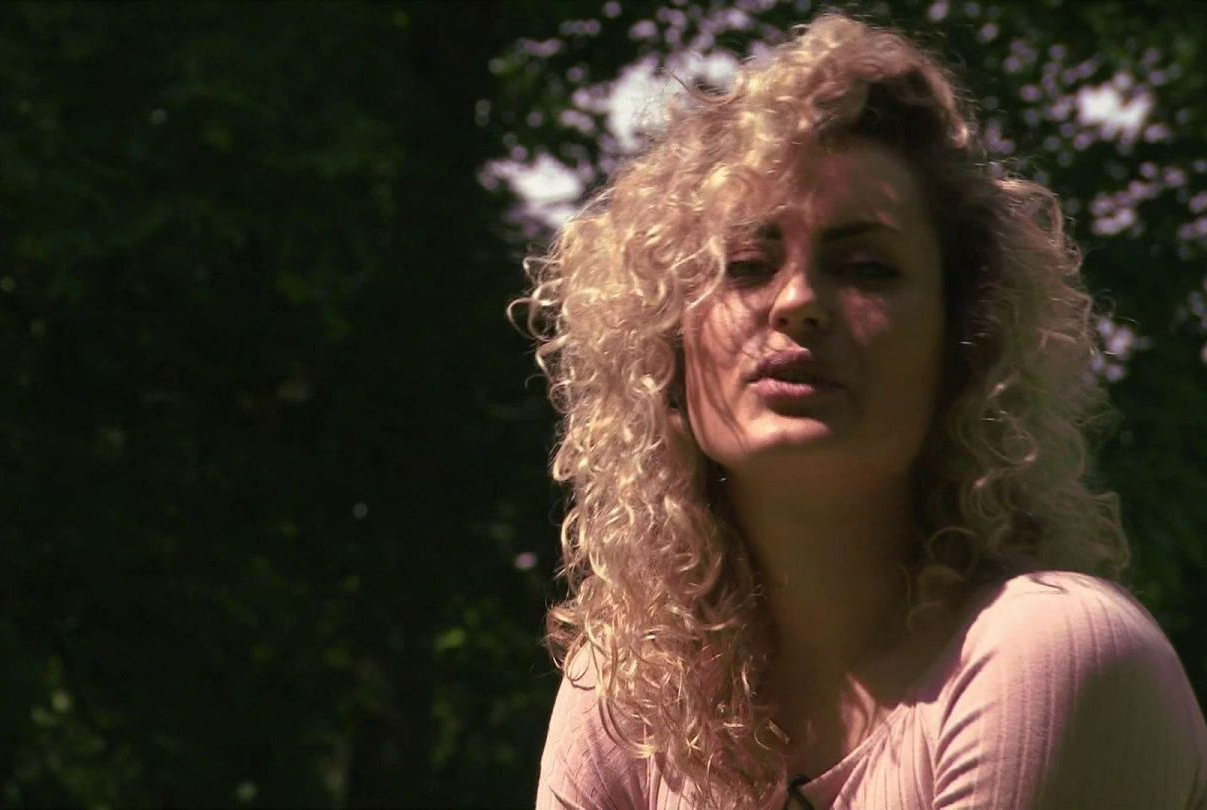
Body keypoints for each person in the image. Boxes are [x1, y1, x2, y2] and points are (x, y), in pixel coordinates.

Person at [510, 11, 1207, 810]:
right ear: (666, 349)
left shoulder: (1048, 651)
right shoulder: (632, 694)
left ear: (964, 347)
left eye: (868, 268)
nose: (798, 301)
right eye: (746, 264)